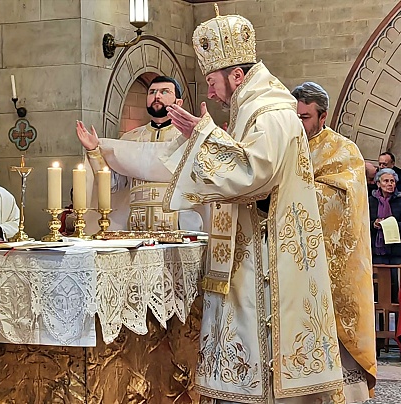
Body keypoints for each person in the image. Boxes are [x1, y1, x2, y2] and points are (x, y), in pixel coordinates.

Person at [77, 8, 345, 402]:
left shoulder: (270, 112)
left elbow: (255, 174)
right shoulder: (251, 110)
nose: (210, 90)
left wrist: (203, 136)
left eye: (212, 79)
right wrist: (106, 148)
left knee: (265, 369)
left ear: (237, 75)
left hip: (269, 260)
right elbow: (169, 161)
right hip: (251, 251)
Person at [292, 81, 377, 403]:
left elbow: (344, 200)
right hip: (293, 259)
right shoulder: (286, 147)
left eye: (304, 117)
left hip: (333, 263)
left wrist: (291, 195)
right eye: (293, 116)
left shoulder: (343, 150)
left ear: (322, 116)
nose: (298, 123)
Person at [76, 76, 203, 232]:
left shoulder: (188, 136)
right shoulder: (130, 138)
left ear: (178, 102)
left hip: (180, 223)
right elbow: (114, 184)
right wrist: (94, 152)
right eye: (152, 92)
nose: (157, 96)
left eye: (164, 92)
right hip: (135, 225)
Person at [370, 168, 401, 265]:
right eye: (386, 181)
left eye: (392, 181)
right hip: (377, 252)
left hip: (398, 252)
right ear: (378, 184)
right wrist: (374, 224)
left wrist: (388, 225)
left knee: (398, 279)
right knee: (380, 279)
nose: (390, 184)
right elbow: (364, 224)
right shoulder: (371, 201)